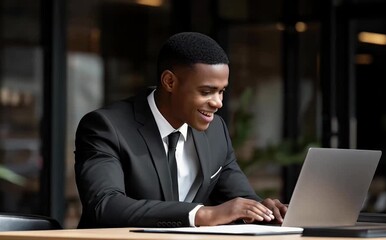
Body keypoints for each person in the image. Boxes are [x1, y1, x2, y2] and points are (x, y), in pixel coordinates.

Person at [74, 32, 288, 228]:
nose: (218, 103)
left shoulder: (215, 131)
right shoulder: (106, 127)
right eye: (207, 91)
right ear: (170, 82)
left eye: (221, 91)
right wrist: (202, 215)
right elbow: (105, 205)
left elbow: (239, 200)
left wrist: (264, 210)